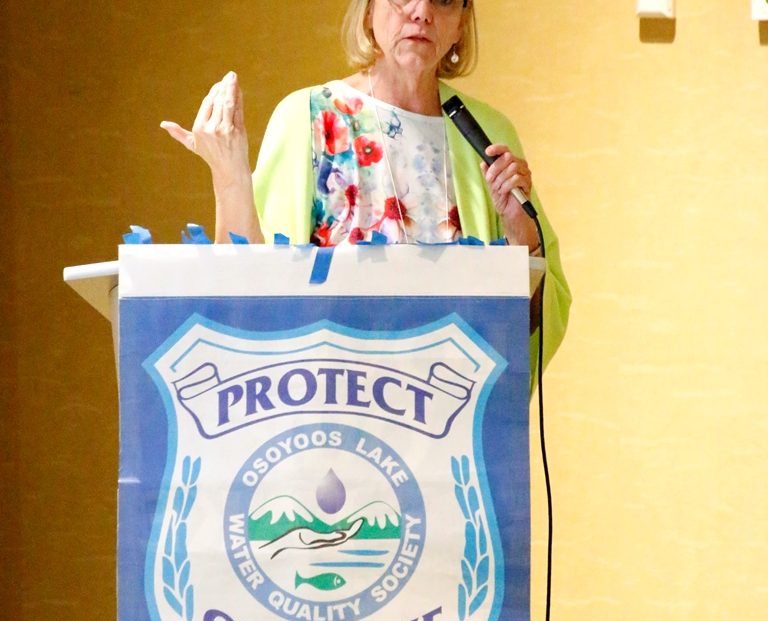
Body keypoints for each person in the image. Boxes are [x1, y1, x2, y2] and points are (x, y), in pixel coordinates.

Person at [161, 0, 570, 380]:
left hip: (449, 417)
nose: (422, 11)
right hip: (324, 404)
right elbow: (245, 300)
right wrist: (229, 174)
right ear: (369, 7)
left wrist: (524, 238)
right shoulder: (306, 117)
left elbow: (530, 330)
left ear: (462, 21)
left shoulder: (488, 133)